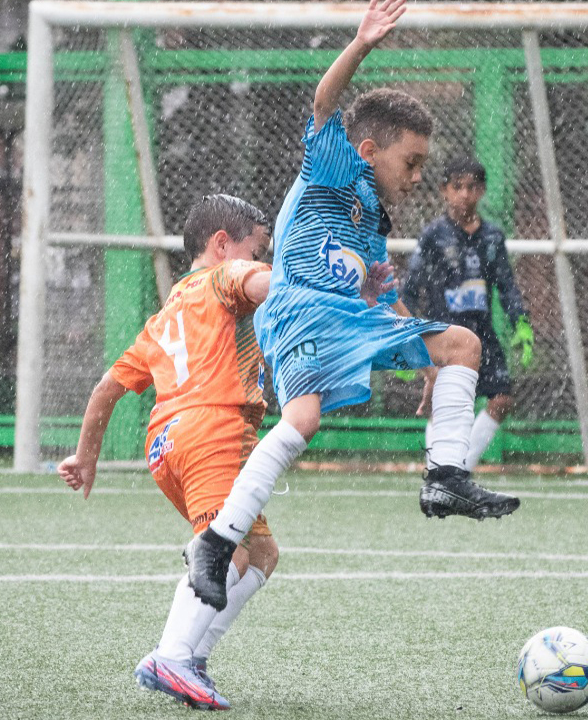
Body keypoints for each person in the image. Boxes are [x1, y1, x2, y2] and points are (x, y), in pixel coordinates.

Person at [185, 0, 520, 614]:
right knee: (304, 421)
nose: (419, 175)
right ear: (368, 149)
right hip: (301, 310)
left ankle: (444, 477)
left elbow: (380, 292)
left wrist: (424, 362)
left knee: (461, 346)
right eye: (411, 162)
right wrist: (362, 43)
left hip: (349, 318)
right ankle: (216, 540)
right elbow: (323, 100)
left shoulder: (372, 215)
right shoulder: (339, 166)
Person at [56, 195, 276, 711]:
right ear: (222, 246)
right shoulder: (224, 280)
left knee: (262, 554)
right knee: (230, 553)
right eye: (255, 250)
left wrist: (85, 457)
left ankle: (191, 657)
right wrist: (307, 274)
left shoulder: (166, 314)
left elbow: (106, 389)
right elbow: (261, 284)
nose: (259, 261)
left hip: (167, 447)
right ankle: (173, 657)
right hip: (211, 434)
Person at [401, 156, 534, 470]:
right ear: (444, 191)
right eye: (457, 187)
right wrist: (403, 337)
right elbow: (410, 286)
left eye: (472, 187)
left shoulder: (491, 237)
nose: (464, 194)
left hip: (482, 333)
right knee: (441, 402)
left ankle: (461, 469)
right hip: (445, 332)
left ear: (482, 191)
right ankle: (439, 471)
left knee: (501, 400)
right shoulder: (434, 236)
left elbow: (507, 285)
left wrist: (521, 323)